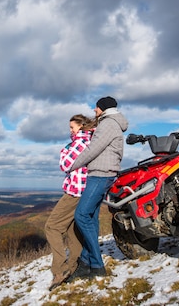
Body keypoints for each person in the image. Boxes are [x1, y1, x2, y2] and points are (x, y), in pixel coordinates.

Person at [68, 96, 128, 280]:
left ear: (103, 108)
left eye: (96, 107)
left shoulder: (108, 123)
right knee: (91, 217)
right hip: (102, 172)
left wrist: (73, 165)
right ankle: (86, 264)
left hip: (101, 174)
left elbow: (93, 148)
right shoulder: (108, 123)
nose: (94, 110)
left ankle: (97, 265)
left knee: (81, 215)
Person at [44, 114, 97, 291]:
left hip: (75, 191)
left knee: (52, 227)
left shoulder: (80, 142)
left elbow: (65, 165)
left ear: (81, 127)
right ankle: (74, 267)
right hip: (84, 191)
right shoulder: (90, 140)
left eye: (72, 128)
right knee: (72, 230)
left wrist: (64, 151)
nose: (70, 131)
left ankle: (60, 269)